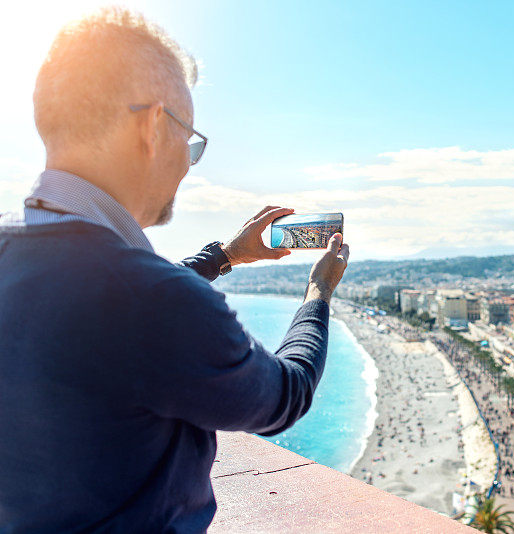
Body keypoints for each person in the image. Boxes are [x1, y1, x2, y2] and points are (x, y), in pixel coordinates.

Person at [0, 7, 349, 533]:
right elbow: (285, 394)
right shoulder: (147, 299)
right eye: (189, 140)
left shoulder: (26, 256)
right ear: (151, 126)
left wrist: (227, 255)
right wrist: (317, 294)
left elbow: (109, 304)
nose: (188, 162)